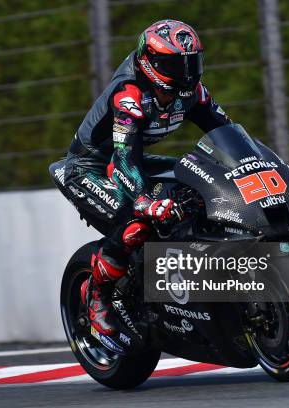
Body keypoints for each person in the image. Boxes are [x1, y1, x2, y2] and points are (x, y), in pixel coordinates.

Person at [62, 19, 231, 349]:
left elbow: (226, 133)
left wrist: (252, 167)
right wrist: (145, 202)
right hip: (91, 166)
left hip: (133, 160)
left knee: (198, 179)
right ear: (151, 62)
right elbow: (124, 160)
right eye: (175, 64)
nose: (186, 73)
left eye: (191, 63)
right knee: (135, 223)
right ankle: (97, 298)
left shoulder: (192, 92)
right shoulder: (129, 95)